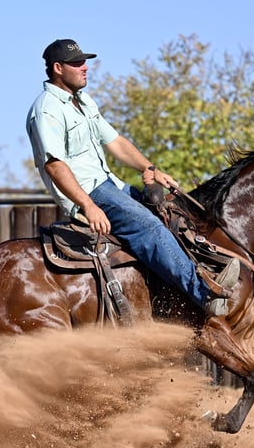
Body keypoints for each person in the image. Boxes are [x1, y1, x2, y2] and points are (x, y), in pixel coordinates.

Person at [26, 38, 239, 316]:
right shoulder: (46, 110)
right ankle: (204, 293)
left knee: (169, 213)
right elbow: (55, 166)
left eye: (84, 61)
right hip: (90, 192)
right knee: (148, 227)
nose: (85, 67)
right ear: (57, 68)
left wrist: (150, 169)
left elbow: (115, 141)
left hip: (110, 184)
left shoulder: (83, 102)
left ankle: (176, 293)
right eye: (77, 63)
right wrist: (89, 206)